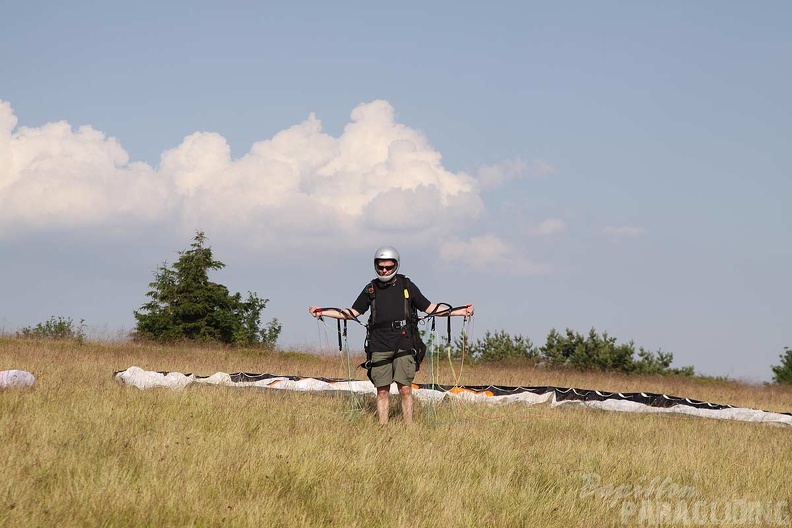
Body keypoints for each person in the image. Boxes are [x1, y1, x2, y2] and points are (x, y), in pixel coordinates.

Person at [309, 246, 474, 424]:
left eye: (388, 267)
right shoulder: (370, 289)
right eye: (381, 267)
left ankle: (409, 429)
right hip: (379, 345)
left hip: (404, 344)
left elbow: (431, 308)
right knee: (382, 390)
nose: (384, 270)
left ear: (396, 265)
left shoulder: (407, 286)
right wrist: (323, 312)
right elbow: (353, 312)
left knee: (405, 389)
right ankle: (383, 428)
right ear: (376, 266)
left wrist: (460, 311)